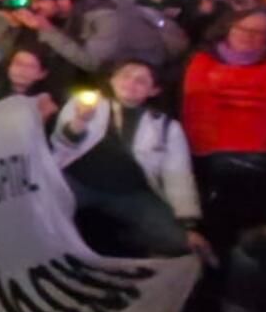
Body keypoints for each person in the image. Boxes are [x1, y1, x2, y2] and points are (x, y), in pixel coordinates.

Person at [49, 61, 208, 262]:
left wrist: (188, 223)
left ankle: (128, 240)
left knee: (180, 243)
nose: (131, 83)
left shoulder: (166, 127)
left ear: (154, 90)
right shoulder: (85, 103)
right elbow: (61, 144)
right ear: (112, 79)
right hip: (77, 183)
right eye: (125, 75)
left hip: (130, 194)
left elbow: (178, 175)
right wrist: (80, 121)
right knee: (40, 213)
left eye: (141, 81)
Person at [180, 8, 266, 251]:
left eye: (259, 32)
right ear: (227, 28)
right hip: (206, 158)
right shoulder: (194, 61)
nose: (248, 35)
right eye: (242, 28)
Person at [11, 0, 177, 76]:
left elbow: (92, 63)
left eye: (40, 1)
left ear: (64, 0)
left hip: (140, 71)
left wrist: (47, 30)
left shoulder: (107, 18)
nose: (34, 7)